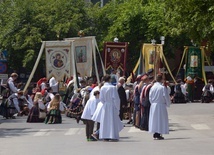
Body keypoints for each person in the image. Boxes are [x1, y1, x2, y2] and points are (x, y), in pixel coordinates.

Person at [98, 74, 123, 141]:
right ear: (109, 79)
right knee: (112, 120)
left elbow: (101, 98)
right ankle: (112, 135)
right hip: (111, 105)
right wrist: (117, 108)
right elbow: (116, 99)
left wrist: (105, 103)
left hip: (105, 105)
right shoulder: (112, 87)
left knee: (105, 121)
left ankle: (105, 135)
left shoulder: (102, 88)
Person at [149, 74, 171, 140]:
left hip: (154, 105)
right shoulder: (162, 87)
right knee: (160, 120)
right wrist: (168, 103)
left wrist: (152, 103)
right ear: (161, 79)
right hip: (160, 105)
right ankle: (158, 133)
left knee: (155, 120)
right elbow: (166, 97)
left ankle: (156, 132)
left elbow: (150, 97)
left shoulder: (153, 87)